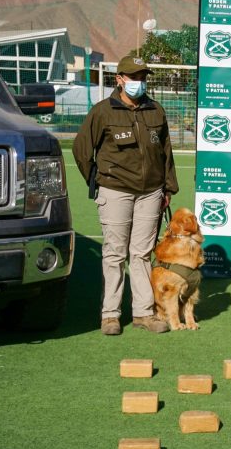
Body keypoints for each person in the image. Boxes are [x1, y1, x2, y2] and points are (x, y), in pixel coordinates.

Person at [73, 54, 178, 335]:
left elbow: (165, 153)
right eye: (134, 77)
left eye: (143, 77)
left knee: (142, 254)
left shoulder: (155, 111)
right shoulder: (102, 111)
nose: (139, 82)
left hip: (151, 193)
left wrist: (168, 187)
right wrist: (100, 181)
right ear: (119, 79)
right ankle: (110, 315)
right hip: (115, 191)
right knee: (115, 254)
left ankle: (144, 314)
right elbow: (82, 151)